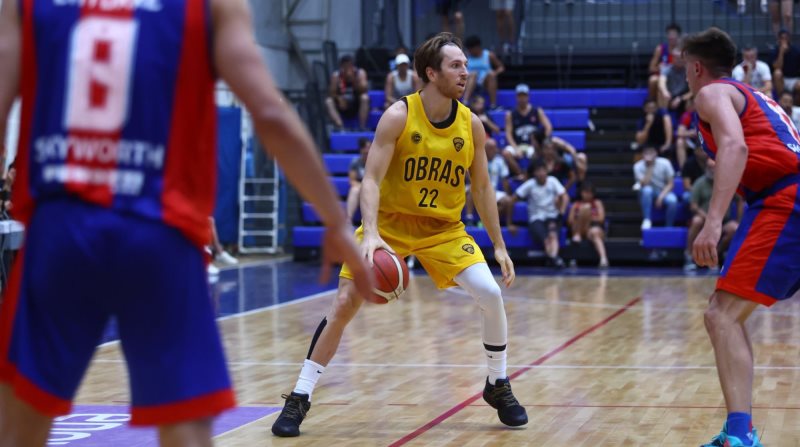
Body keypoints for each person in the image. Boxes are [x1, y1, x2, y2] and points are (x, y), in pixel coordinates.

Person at [0, 0, 374, 446]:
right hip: (159, 235)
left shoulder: (24, 5)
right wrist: (335, 221)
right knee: (186, 433)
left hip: (60, 232)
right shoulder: (211, 6)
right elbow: (271, 114)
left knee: (18, 425)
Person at [271, 32, 528, 438]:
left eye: (465, 65)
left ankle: (497, 384)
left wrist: (498, 245)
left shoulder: (471, 125)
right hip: (389, 224)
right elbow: (371, 180)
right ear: (431, 73)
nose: (465, 72)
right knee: (344, 304)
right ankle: (300, 395)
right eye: (456, 65)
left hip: (443, 229)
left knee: (491, 293)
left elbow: (481, 188)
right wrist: (371, 233)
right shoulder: (398, 116)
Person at [684, 26, 800, 447]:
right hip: (780, 197)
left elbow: (735, 148)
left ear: (697, 67)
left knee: (722, 315)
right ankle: (738, 430)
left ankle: (741, 435)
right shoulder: (752, 95)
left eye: (685, 68)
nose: (686, 76)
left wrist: (713, 222)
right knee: (723, 314)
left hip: (785, 200)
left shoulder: (711, 94)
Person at [508, 161, 569, 269]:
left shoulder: (553, 181)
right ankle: (555, 259)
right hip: (536, 218)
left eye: (542, 170)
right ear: (534, 173)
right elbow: (512, 199)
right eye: (538, 171)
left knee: (553, 235)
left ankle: (553, 258)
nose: (541, 173)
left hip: (552, 216)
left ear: (546, 171)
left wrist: (561, 212)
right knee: (546, 239)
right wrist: (509, 223)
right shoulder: (530, 184)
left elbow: (565, 196)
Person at [684, 161, 741, 271]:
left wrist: (739, 220)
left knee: (734, 228)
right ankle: (689, 256)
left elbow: (739, 200)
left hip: (723, 221)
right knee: (696, 221)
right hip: (704, 219)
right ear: (706, 168)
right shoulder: (699, 183)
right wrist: (708, 218)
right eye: (710, 167)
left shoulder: (728, 182)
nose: (712, 170)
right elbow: (693, 206)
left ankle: (715, 256)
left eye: (715, 167)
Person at [503, 83, 552, 177]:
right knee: (506, 153)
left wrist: (542, 142)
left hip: (532, 145)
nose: (522, 98)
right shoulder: (510, 114)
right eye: (520, 96)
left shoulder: (537, 111)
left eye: (524, 96)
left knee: (536, 154)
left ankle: (530, 175)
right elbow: (508, 134)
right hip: (517, 144)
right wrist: (515, 148)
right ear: (516, 97)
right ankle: (521, 174)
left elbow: (548, 127)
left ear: (528, 96)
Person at [465, 138, 513, 226]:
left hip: (492, 191)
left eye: (495, 148)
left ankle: (485, 221)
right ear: (485, 149)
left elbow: (504, 180)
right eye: (491, 148)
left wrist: (507, 193)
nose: (494, 150)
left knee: (507, 201)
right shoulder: (476, 158)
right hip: (477, 188)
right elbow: (468, 176)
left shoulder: (500, 161)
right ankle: (469, 218)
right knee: (471, 190)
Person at [634, 146, 678, 230]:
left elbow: (671, 184)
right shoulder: (637, 166)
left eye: (651, 153)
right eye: (646, 153)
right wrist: (650, 166)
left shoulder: (665, 163)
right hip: (646, 193)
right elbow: (645, 184)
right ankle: (647, 220)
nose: (649, 156)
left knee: (673, 200)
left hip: (663, 191)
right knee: (647, 190)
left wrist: (661, 197)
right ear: (642, 155)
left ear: (656, 154)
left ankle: (669, 226)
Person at [567, 182, 609, 268]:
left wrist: (588, 217)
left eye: (590, 192)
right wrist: (581, 218)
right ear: (581, 192)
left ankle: (603, 259)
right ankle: (573, 257)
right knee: (585, 209)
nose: (587, 195)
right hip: (578, 228)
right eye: (585, 192)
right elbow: (570, 221)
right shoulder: (575, 205)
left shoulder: (597, 203)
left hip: (593, 228)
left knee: (595, 232)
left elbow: (601, 219)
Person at [325, 55, 370, 131]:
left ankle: (362, 127)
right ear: (341, 66)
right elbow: (331, 93)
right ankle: (340, 127)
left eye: (349, 65)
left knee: (364, 98)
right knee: (328, 101)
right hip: (342, 104)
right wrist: (338, 98)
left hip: (356, 104)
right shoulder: (336, 75)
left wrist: (354, 80)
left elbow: (364, 89)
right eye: (345, 66)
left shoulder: (360, 73)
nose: (347, 68)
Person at [462, 35, 505, 110]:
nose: (469, 51)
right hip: (469, 82)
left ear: (477, 47)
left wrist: (494, 73)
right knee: (473, 74)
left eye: (471, 49)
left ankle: (493, 105)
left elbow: (501, 67)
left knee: (491, 75)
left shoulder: (489, 55)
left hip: (484, 82)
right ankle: (465, 102)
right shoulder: (466, 56)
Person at [648, 23, 682, 100]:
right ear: (667, 36)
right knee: (653, 80)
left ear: (678, 36)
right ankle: (652, 101)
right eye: (670, 34)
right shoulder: (660, 49)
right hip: (664, 76)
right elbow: (651, 68)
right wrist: (659, 67)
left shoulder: (682, 50)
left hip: (678, 76)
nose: (672, 37)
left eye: (674, 35)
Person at [657, 47, 691, 115]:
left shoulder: (689, 70)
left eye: (681, 58)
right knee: (660, 93)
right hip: (669, 96)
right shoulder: (666, 69)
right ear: (673, 58)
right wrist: (665, 92)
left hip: (683, 97)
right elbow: (661, 82)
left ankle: (687, 118)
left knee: (694, 96)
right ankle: (665, 116)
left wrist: (681, 98)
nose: (680, 60)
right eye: (677, 58)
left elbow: (693, 90)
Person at [771, 29, 800, 103]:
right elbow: (777, 67)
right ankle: (781, 101)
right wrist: (781, 52)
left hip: (794, 79)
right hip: (781, 80)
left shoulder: (796, 51)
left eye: (786, 38)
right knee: (777, 73)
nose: (784, 40)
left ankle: (795, 104)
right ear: (778, 39)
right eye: (782, 38)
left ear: (789, 39)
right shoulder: (774, 51)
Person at [346, 138, 370, 223]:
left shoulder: (376, 162)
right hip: (360, 188)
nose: (367, 150)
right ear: (361, 150)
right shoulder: (356, 162)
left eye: (369, 147)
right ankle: (348, 220)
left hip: (374, 189)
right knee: (354, 190)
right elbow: (352, 181)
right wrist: (363, 187)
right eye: (366, 148)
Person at [675, 98, 698, 171]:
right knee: (680, 142)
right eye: (687, 104)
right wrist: (690, 133)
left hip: (704, 140)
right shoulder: (687, 115)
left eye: (690, 104)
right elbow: (679, 133)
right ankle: (683, 170)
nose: (687, 106)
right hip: (692, 141)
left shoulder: (706, 113)